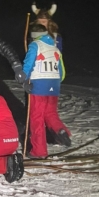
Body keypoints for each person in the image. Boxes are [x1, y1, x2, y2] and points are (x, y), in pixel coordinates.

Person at [21, 24, 71, 159]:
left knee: (36, 118)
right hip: (54, 85)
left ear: (33, 36)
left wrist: (24, 79)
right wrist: (55, 82)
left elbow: (28, 64)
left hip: (39, 85)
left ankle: (39, 151)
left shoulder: (35, 45)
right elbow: (62, 72)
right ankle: (60, 130)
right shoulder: (54, 48)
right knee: (50, 113)